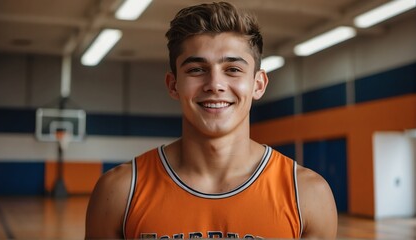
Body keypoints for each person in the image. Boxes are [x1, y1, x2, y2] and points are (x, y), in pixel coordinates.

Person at [85, 2, 337, 239]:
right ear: (173, 85)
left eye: (233, 69)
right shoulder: (119, 191)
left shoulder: (307, 194)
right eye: (196, 69)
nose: (215, 84)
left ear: (258, 84)